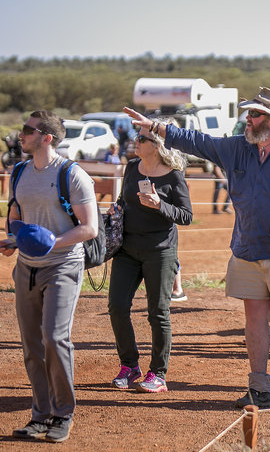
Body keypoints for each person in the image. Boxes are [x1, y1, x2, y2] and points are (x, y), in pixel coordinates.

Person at [124, 87, 270, 408]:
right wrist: (155, 127)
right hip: (247, 249)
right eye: (248, 113)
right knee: (255, 319)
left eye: (256, 114)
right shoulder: (236, 148)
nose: (248, 119)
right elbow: (196, 141)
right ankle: (259, 387)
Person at [0, 110, 98, 442]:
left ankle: (62, 414)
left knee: (55, 338)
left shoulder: (72, 174)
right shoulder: (20, 171)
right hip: (26, 267)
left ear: (47, 138)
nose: (21, 134)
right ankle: (41, 416)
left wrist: (52, 242)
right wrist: (16, 238)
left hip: (63, 264)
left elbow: (89, 228)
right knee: (31, 344)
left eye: (28, 130)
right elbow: (15, 214)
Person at [107, 124, 193, 393]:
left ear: (157, 146)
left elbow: (186, 216)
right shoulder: (132, 168)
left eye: (142, 139)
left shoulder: (174, 177)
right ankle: (130, 365)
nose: (136, 141)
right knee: (117, 307)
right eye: (137, 138)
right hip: (127, 250)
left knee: (158, 313)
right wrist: (116, 208)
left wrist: (160, 205)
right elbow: (124, 200)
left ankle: (158, 373)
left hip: (160, 251)